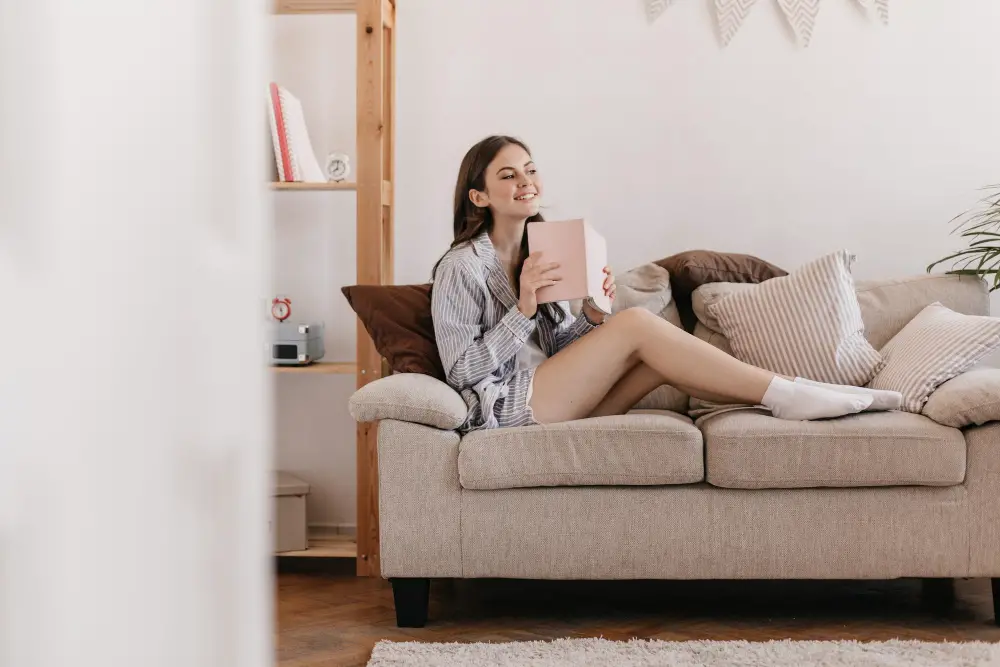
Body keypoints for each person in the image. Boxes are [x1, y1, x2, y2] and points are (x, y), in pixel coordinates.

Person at [430, 135, 901, 433]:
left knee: (655, 359)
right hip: (503, 408)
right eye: (508, 175)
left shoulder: (544, 251)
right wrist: (524, 309)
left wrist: (592, 317)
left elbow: (553, 353)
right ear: (479, 196)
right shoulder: (461, 267)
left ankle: (791, 395)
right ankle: (790, 394)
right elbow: (460, 371)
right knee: (636, 324)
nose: (526, 181)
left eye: (530, 169)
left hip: (553, 397)